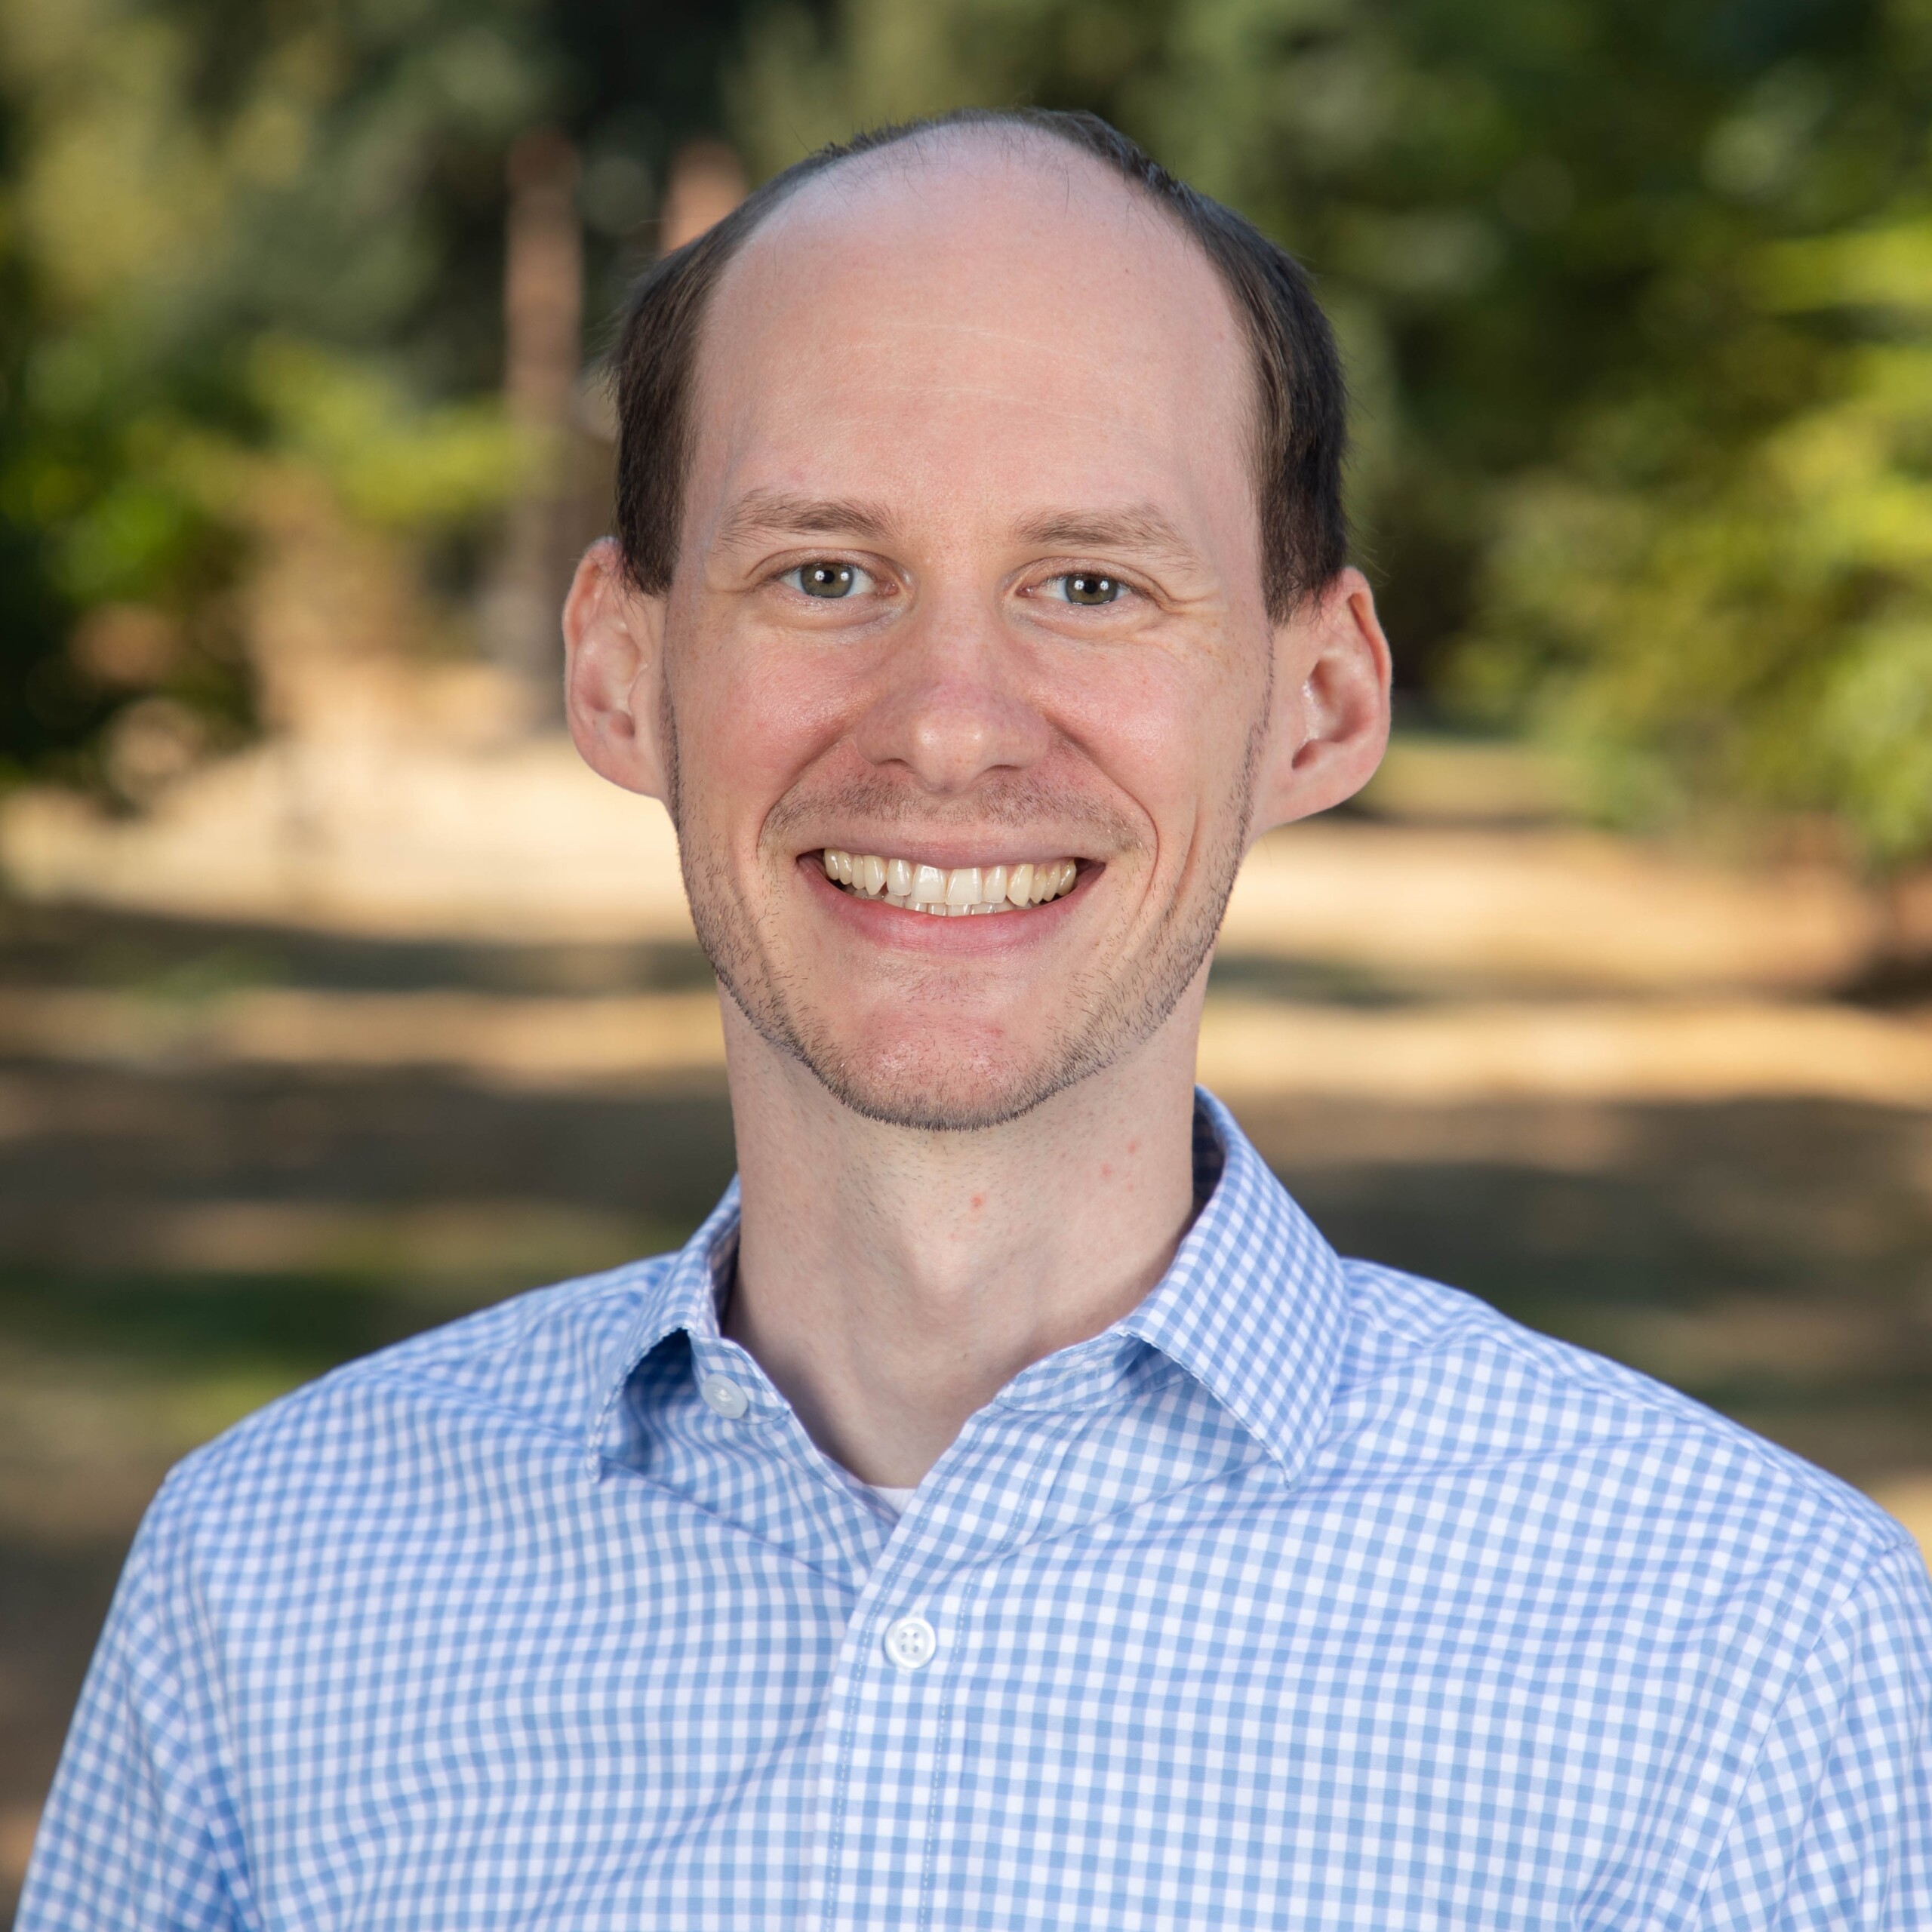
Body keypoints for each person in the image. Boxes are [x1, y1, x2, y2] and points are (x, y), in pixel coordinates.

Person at [20, 108, 1932, 1931]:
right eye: (825, 574)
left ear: (1319, 700)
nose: (945, 720)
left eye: (1087, 582)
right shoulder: (269, 1581)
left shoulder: (1743, 1653)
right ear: (620, 671)